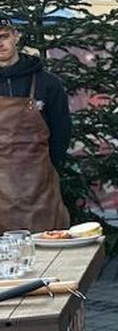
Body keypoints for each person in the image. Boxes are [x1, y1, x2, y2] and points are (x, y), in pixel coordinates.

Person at [0, 16, 71, 232]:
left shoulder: (47, 83)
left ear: (16, 36)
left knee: (49, 250)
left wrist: (47, 170)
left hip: (40, 189)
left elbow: (62, 132)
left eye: (3, 36)